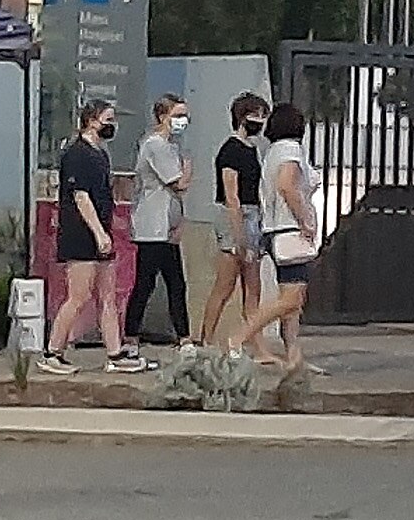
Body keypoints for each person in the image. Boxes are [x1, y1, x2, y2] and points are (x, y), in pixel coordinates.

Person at [41, 99, 146, 375]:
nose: (112, 125)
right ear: (91, 120)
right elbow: (80, 196)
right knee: (78, 295)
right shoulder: (77, 153)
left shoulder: (100, 153)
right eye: (107, 120)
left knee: (107, 295)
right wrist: (98, 232)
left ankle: (114, 353)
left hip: (102, 231)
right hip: (80, 233)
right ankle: (53, 351)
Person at [234, 101, 321, 371]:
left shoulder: (271, 151)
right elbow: (287, 185)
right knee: (291, 299)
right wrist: (305, 219)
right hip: (289, 230)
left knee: (293, 302)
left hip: (274, 230)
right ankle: (238, 338)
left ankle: (294, 357)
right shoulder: (291, 150)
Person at [197, 95, 270, 358]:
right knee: (225, 285)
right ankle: (206, 340)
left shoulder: (252, 149)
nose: (260, 121)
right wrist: (239, 237)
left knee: (253, 288)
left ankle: (257, 346)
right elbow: (231, 196)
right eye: (255, 115)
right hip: (235, 216)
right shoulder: (230, 150)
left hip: (253, 214)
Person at [124, 94, 195, 346]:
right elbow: (178, 183)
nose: (182, 121)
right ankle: (131, 334)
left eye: (184, 115)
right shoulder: (155, 145)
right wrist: (188, 166)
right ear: (162, 116)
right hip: (152, 226)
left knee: (175, 283)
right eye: (177, 115)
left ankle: (183, 335)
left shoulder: (170, 145)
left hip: (167, 226)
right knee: (147, 283)